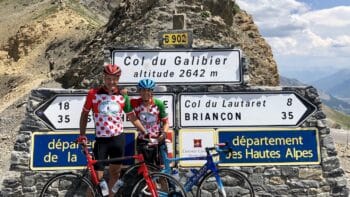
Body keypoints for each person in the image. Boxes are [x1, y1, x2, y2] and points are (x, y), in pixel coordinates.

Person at [77, 64, 148, 196]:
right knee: (96, 177)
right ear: (104, 78)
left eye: (114, 79)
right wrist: (82, 135)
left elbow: (132, 117)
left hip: (118, 139)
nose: (111, 82)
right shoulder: (93, 94)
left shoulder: (123, 96)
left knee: (115, 173)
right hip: (102, 140)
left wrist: (144, 131)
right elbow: (85, 114)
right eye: (108, 78)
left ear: (118, 78)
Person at [131, 78, 169, 166]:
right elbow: (124, 104)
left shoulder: (159, 104)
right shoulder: (134, 102)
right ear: (139, 91)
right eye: (143, 90)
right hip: (143, 140)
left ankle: (162, 180)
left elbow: (166, 122)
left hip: (158, 138)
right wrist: (124, 94)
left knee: (163, 168)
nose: (146, 93)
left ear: (152, 91)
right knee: (146, 168)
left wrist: (163, 134)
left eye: (148, 90)